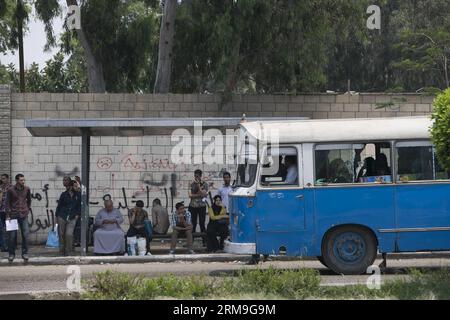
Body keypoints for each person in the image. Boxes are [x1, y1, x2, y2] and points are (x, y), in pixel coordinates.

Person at [6, 174, 31, 262]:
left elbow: (29, 200)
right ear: (17, 181)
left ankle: (25, 253)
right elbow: (7, 203)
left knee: (26, 235)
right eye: (21, 180)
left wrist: (27, 210)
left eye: (24, 180)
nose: (23, 182)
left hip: (23, 215)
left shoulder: (27, 189)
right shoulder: (10, 190)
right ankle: (11, 254)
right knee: (12, 237)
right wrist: (8, 215)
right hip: (13, 215)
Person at [55, 180, 81, 256]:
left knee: (69, 234)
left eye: (77, 186)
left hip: (72, 217)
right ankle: (62, 251)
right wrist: (56, 216)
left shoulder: (78, 195)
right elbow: (59, 206)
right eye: (75, 186)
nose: (76, 188)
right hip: (62, 216)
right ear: (70, 187)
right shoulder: (64, 194)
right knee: (61, 234)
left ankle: (69, 251)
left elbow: (80, 205)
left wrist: (77, 214)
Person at [188, 169, 208, 235]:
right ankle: (192, 240)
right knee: (193, 223)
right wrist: (200, 195)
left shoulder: (204, 184)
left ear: (200, 176)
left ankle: (204, 240)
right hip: (193, 206)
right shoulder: (191, 184)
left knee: (202, 223)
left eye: (197, 176)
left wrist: (198, 185)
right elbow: (190, 195)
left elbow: (204, 194)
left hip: (201, 206)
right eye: (195, 176)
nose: (196, 178)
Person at [0, 174, 11, 252]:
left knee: (9, 229)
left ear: (7, 179)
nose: (2, 180)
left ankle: (10, 245)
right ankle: (3, 246)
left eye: (4, 178)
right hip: (1, 211)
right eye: (2, 179)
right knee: (2, 229)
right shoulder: (1, 187)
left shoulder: (11, 188)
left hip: (8, 211)